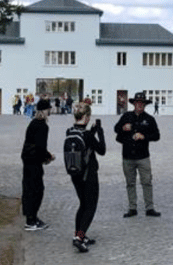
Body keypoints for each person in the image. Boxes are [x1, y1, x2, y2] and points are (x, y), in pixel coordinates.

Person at [114, 92, 162, 217]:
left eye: (142, 103)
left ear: (145, 105)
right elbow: (116, 129)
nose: (139, 105)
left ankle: (149, 208)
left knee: (147, 182)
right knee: (130, 183)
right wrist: (123, 127)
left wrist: (144, 136)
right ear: (134, 104)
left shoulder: (149, 119)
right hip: (127, 156)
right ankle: (132, 208)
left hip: (143, 156)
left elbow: (157, 136)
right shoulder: (126, 116)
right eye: (137, 103)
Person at [67, 102, 106, 253]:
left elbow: (84, 140)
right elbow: (102, 150)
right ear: (87, 116)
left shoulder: (70, 131)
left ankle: (78, 234)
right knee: (90, 206)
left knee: (82, 204)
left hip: (75, 174)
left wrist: (92, 132)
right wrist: (100, 132)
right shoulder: (88, 135)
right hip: (89, 174)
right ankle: (80, 238)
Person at [21, 98, 55, 231]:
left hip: (27, 159)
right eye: (49, 110)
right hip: (34, 161)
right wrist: (48, 157)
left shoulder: (33, 123)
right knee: (37, 190)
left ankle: (31, 217)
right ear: (46, 111)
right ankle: (31, 220)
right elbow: (41, 147)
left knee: (29, 188)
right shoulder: (43, 126)